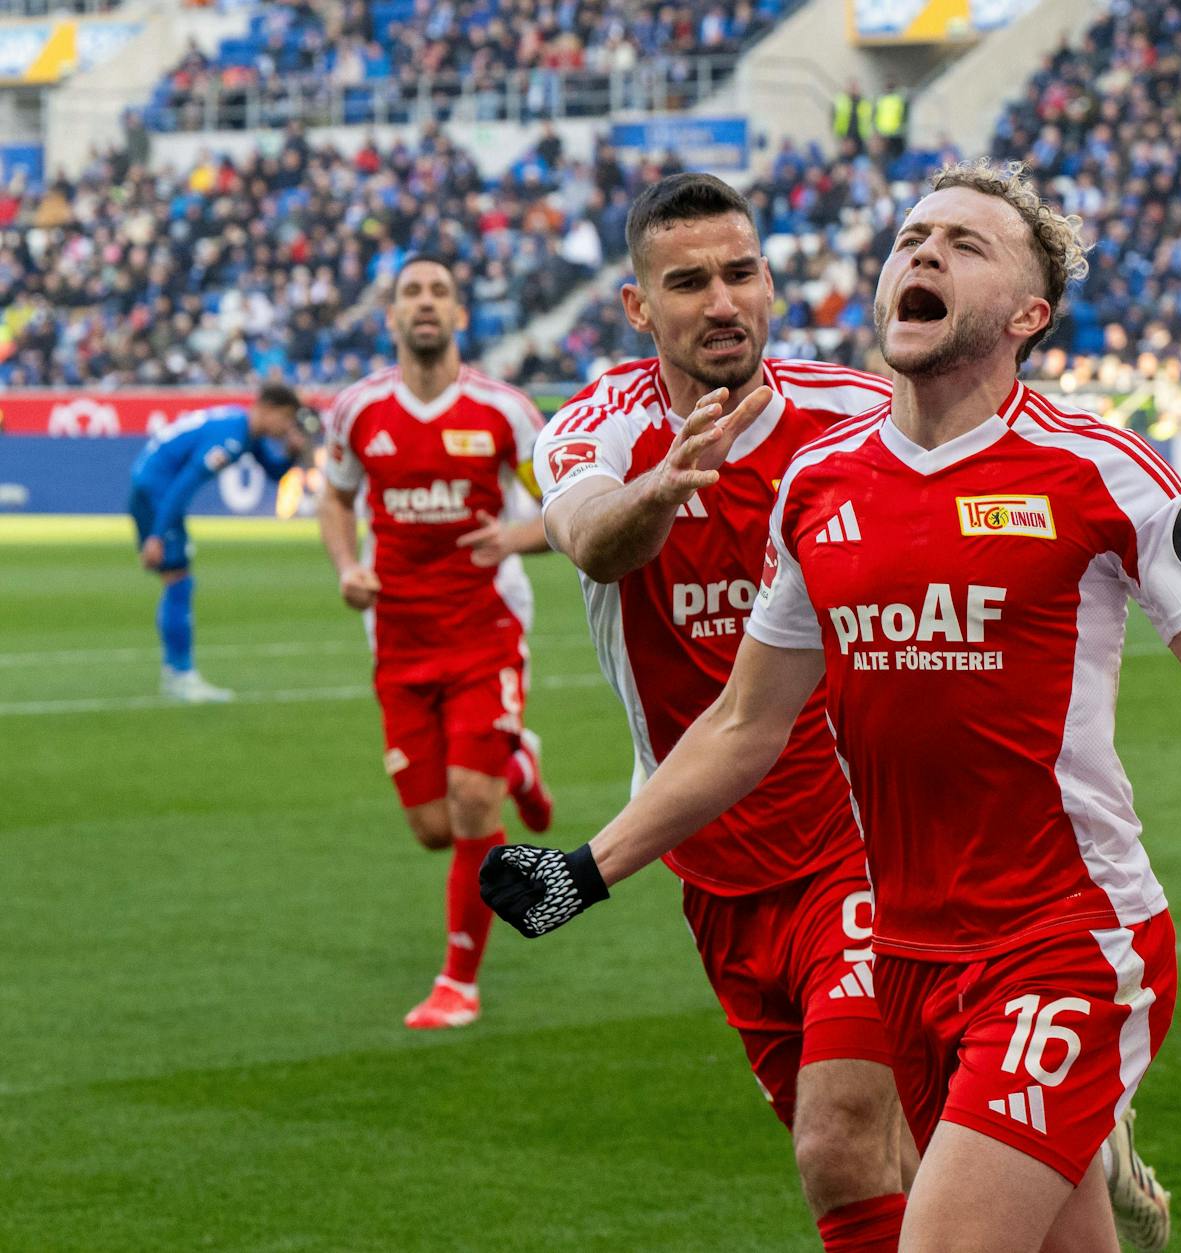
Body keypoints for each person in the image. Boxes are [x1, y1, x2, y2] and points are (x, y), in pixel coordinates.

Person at [485, 161, 1181, 1252]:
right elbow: (743, 723)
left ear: (1027, 314)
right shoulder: (822, 483)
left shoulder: (1101, 474)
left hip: (1064, 938)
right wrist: (586, 868)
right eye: (911, 237)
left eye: (964, 244)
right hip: (911, 954)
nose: (922, 253)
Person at [530, 172, 914, 1253]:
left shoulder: (854, 416)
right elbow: (587, 533)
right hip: (711, 865)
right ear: (637, 306)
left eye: (740, 273)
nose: (721, 301)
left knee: (839, 1147)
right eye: (687, 281)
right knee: (898, 1157)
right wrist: (654, 491)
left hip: (863, 841)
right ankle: (1066, 1153)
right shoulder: (593, 426)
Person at [318, 254, 557, 1031]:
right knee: (432, 829)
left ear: (460, 315)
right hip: (398, 636)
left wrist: (517, 534)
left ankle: (458, 980)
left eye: (439, 293)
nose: (425, 304)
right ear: (390, 316)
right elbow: (335, 493)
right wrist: (348, 564)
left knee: (469, 803)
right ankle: (519, 758)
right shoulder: (358, 410)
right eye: (410, 293)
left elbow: (567, 503)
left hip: (485, 629)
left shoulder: (504, 411)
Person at [128, 383, 318, 702]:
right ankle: (180, 675)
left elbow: (273, 472)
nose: (286, 427)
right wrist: (158, 535)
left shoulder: (242, 428)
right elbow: (184, 485)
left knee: (178, 581)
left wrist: (291, 454)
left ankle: (177, 673)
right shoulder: (230, 438)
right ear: (269, 409)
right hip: (157, 492)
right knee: (179, 582)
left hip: (150, 484)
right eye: (285, 419)